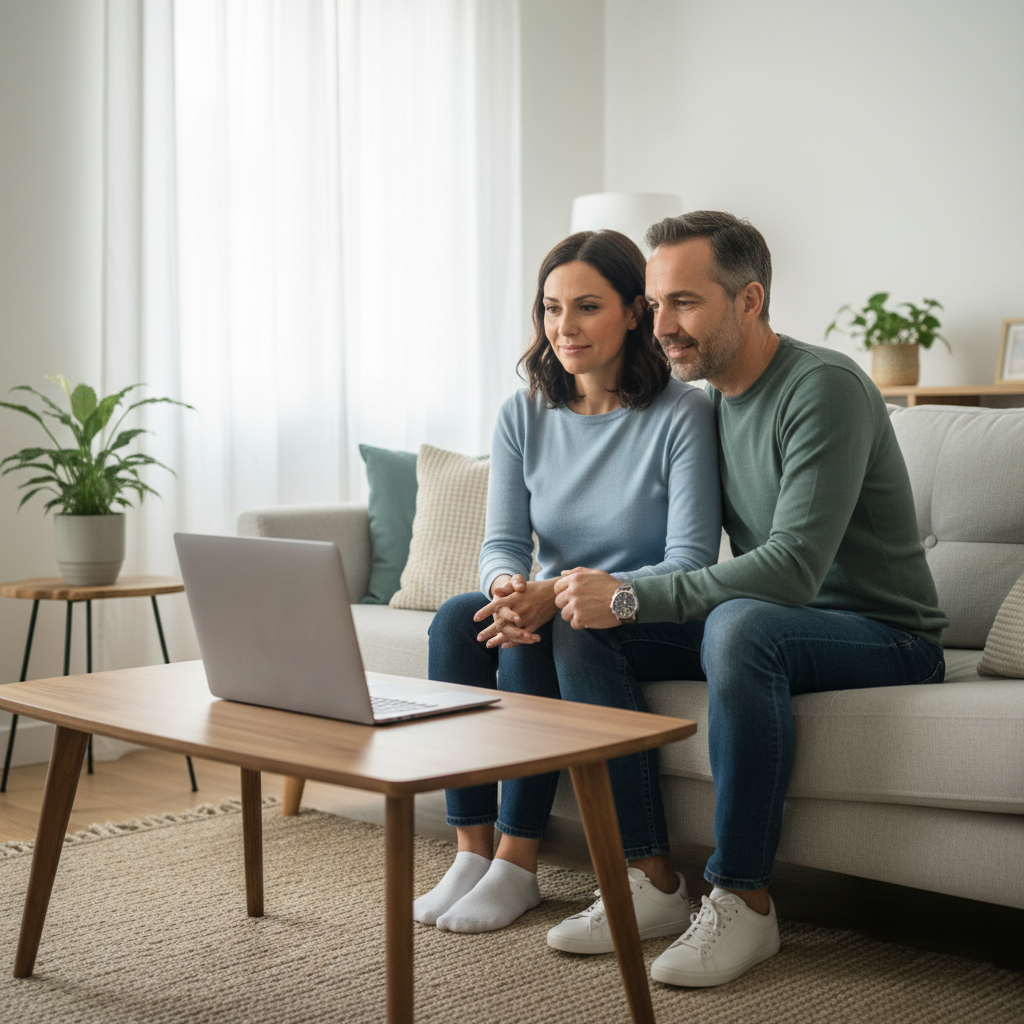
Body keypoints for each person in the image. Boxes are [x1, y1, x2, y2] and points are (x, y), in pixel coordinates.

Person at [543, 210, 948, 987]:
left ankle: (744, 899)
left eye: (685, 304)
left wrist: (632, 596)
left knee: (739, 626)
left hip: (886, 634)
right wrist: (594, 594)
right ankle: (652, 880)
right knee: (582, 625)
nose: (663, 326)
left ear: (750, 301)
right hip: (777, 622)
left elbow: (792, 569)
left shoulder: (822, 387)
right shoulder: (705, 404)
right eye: (656, 305)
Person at [412, 228, 722, 936]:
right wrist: (505, 589)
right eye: (551, 308)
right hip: (560, 606)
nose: (564, 327)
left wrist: (550, 596)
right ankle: (475, 853)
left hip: (656, 611)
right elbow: (501, 542)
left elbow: (690, 561)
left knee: (564, 625)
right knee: (460, 620)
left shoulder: (682, 414)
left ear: (634, 311)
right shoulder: (524, 412)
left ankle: (533, 863)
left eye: (586, 306)